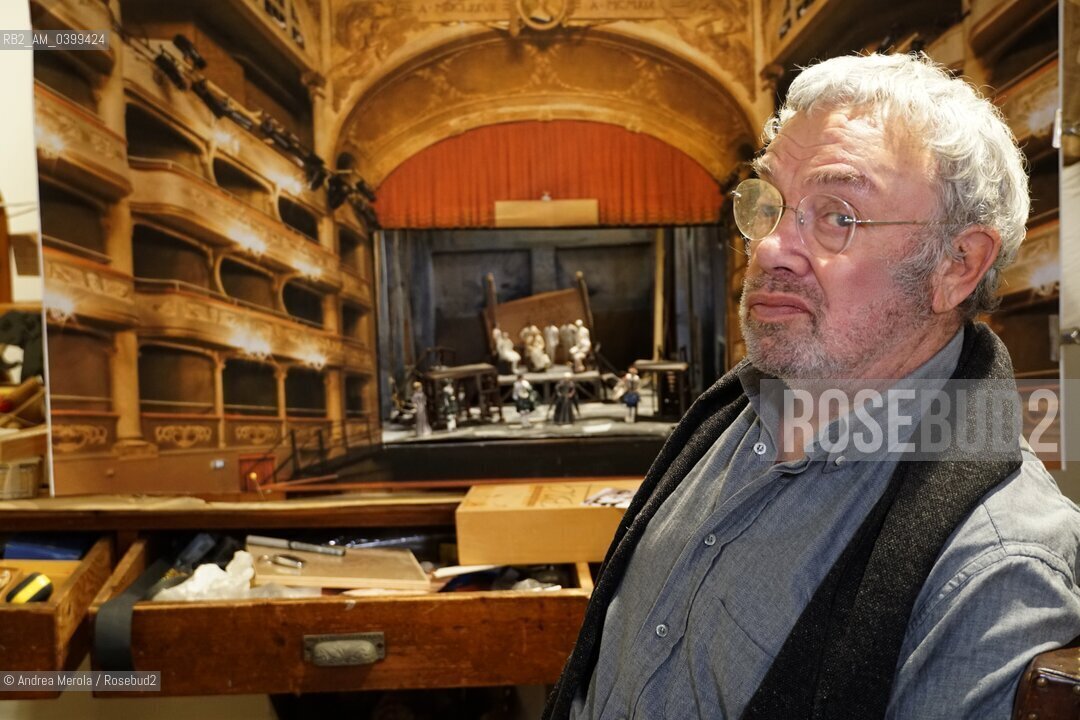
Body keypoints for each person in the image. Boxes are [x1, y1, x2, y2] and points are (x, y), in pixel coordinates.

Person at [545, 53, 1080, 720]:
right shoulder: (729, 415)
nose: (768, 249)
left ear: (957, 264)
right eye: (769, 204)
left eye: (838, 216)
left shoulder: (994, 564)